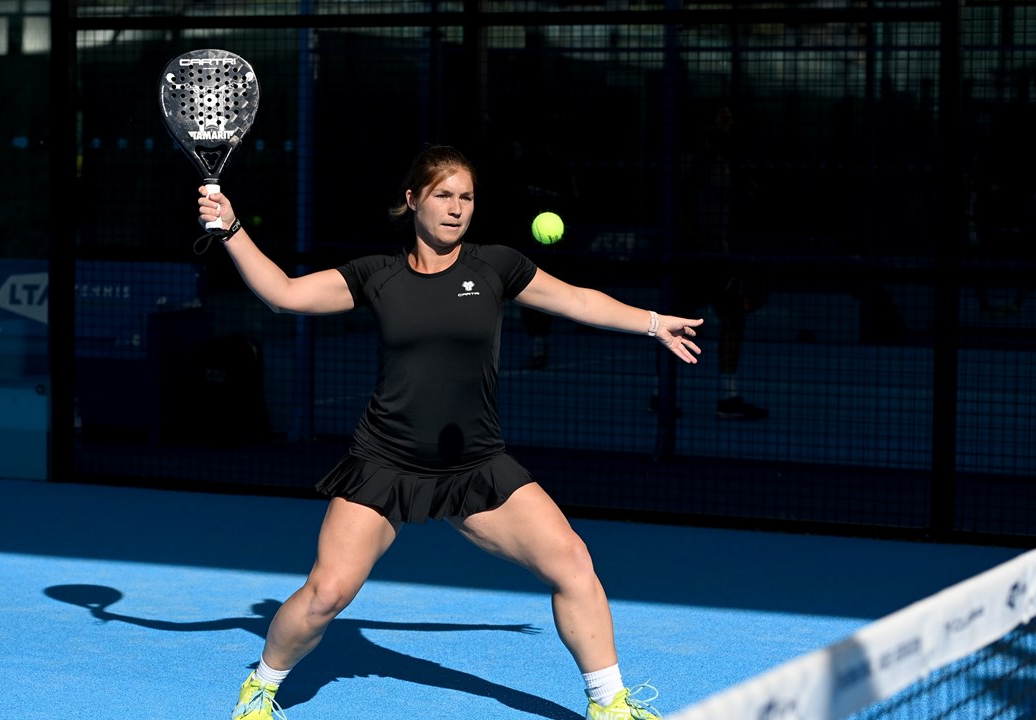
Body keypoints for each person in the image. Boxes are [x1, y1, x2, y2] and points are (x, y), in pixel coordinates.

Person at [196, 145, 704, 720]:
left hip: (476, 464)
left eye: (466, 197)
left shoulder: (497, 266)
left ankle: (610, 703)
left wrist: (655, 323)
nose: (457, 208)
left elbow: (576, 301)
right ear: (412, 201)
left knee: (573, 564)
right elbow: (284, 295)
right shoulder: (377, 276)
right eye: (443, 195)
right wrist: (231, 228)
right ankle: (261, 687)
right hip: (384, 462)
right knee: (327, 595)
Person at [674, 104, 768, 420]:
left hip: (720, 257)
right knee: (679, 325)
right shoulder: (695, 161)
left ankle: (727, 397)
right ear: (708, 124)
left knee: (732, 320)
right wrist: (696, 246)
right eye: (722, 117)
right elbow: (681, 206)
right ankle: (664, 396)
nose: (729, 123)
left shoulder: (725, 162)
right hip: (697, 258)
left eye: (731, 117)